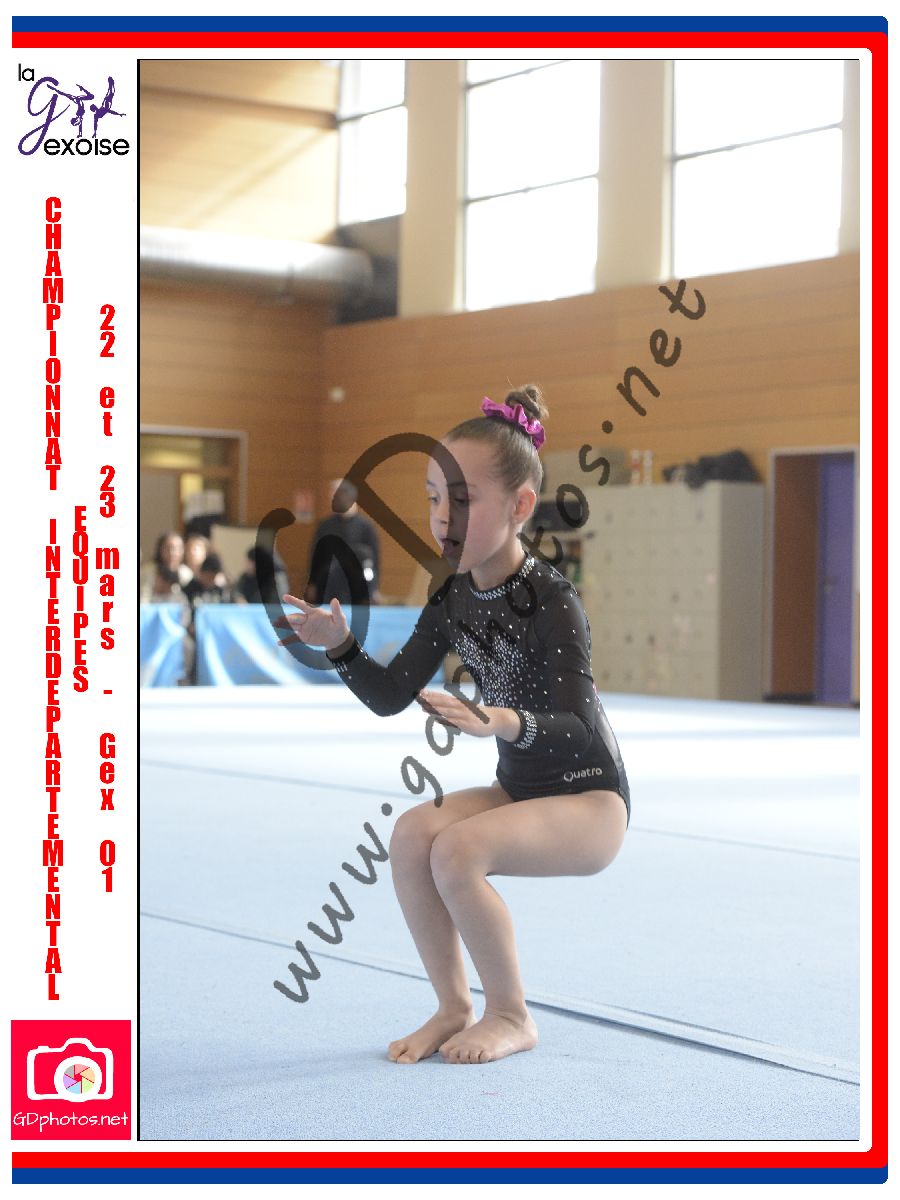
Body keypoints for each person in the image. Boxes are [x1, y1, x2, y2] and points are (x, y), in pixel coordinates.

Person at [276, 385, 630, 1067]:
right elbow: (391, 696)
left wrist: (498, 719)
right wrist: (341, 646)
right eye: (434, 497)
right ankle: (452, 1006)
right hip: (521, 791)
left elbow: (580, 731)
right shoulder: (453, 596)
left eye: (462, 500)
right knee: (412, 836)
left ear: (520, 506)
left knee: (457, 851)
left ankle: (511, 1014)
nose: (443, 517)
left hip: (590, 801)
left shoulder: (552, 599)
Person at [305, 478, 382, 606]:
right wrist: (312, 583)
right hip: (329, 585)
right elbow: (316, 557)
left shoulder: (366, 527)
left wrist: (374, 588)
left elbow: (374, 560)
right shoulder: (325, 526)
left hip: (357, 585)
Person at [139, 531, 193, 602]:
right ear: (160, 550)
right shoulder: (148, 571)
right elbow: (143, 599)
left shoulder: (186, 574)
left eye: (176, 548)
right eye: (167, 548)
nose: (172, 553)